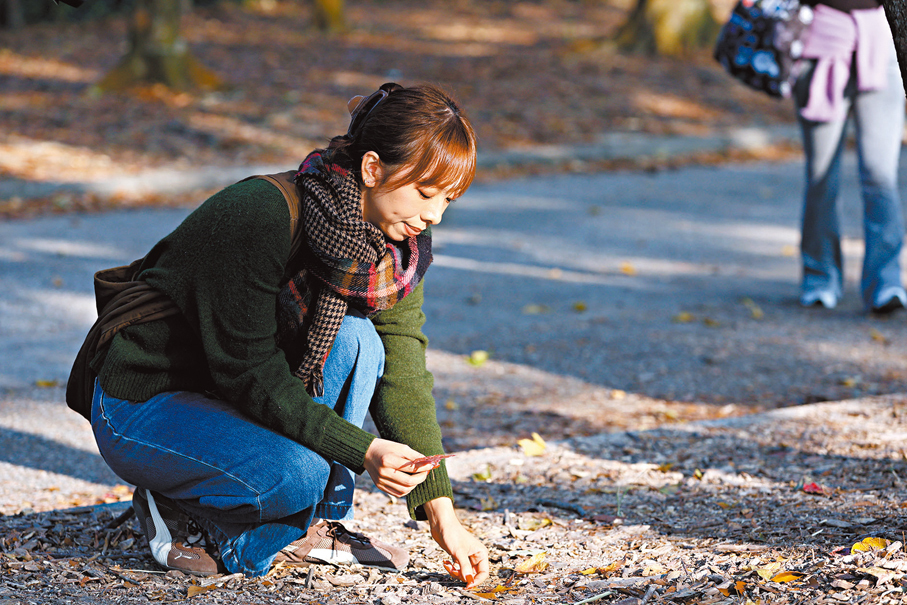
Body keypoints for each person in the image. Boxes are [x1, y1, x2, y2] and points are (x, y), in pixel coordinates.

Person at [87, 82, 489, 587]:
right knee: (296, 475)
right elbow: (249, 373)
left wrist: (442, 514)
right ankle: (175, 499)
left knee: (360, 341)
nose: (434, 215)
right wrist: (364, 450)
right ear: (372, 169)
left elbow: (403, 370)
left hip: (229, 393)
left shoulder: (397, 247)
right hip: (147, 401)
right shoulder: (262, 213)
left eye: (448, 198)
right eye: (426, 194)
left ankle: (311, 522)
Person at [794, 0, 907, 313]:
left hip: (882, 38)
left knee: (881, 175)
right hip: (821, 40)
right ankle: (820, 276)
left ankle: (886, 281)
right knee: (821, 175)